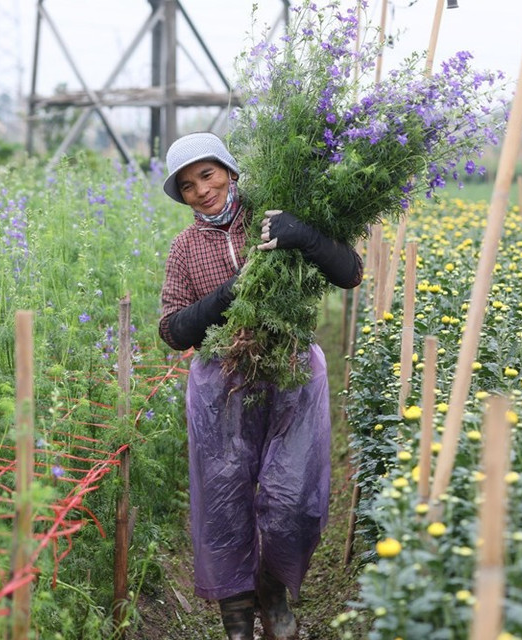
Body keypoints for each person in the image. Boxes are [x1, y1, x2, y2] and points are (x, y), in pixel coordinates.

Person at [157, 131, 362, 640]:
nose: (201, 190)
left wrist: (306, 236)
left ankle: (272, 592)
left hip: (291, 374)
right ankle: (236, 618)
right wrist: (230, 294)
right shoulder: (184, 248)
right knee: (225, 500)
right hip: (219, 389)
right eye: (187, 186)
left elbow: (351, 272)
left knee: (293, 497)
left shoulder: (272, 217)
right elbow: (171, 328)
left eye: (207, 174)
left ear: (228, 169)